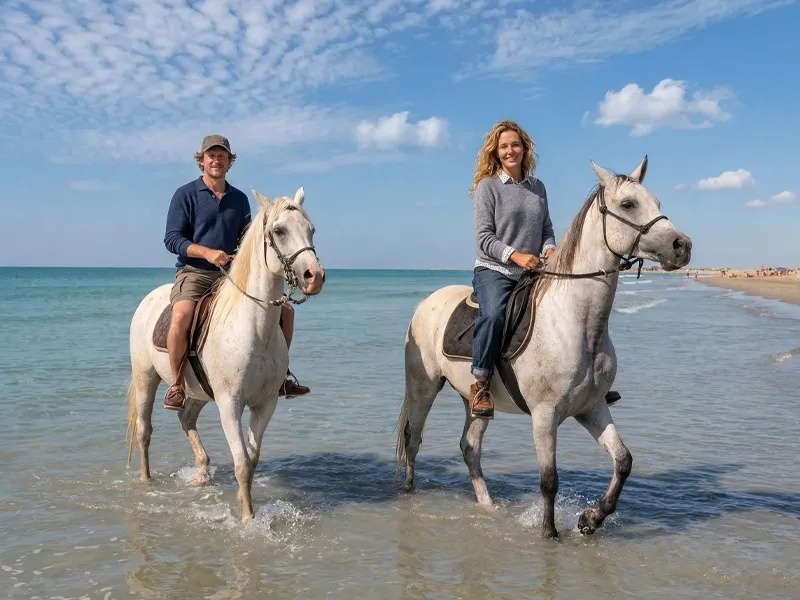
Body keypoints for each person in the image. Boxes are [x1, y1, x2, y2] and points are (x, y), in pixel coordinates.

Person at [162, 134, 310, 411]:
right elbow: (172, 239)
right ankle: (176, 385)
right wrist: (206, 252)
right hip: (195, 272)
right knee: (181, 317)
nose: (216, 160)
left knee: (286, 312)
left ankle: (281, 376)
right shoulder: (185, 194)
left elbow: (248, 241)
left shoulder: (240, 199)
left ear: (230, 162)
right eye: (211, 155)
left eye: (222, 156)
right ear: (202, 160)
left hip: (231, 275)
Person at [468, 120, 556, 420]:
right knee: (493, 315)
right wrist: (515, 256)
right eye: (503, 146)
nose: (510, 151)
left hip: (532, 271)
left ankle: (582, 385)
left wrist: (549, 247)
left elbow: (546, 227)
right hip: (494, 270)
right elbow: (483, 239)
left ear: (525, 148)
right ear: (495, 152)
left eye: (515, 145)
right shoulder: (487, 187)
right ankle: (480, 384)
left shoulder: (537, 187)